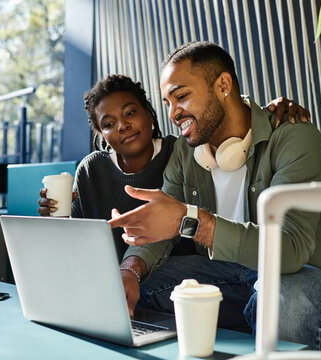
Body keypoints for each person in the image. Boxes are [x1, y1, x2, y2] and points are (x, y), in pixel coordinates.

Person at [109, 41, 321, 350]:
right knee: (124, 286)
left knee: (286, 300)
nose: (174, 113)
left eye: (182, 97)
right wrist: (130, 269)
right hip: (229, 274)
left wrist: (193, 222)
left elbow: (292, 250)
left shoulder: (293, 136)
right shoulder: (185, 153)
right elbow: (160, 232)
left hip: (308, 273)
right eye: (167, 103)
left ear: (223, 85)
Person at [38, 74, 307, 264]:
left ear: (149, 115)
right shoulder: (91, 169)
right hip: (111, 276)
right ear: (101, 135)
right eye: (108, 123)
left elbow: (234, 118)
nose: (122, 126)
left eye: (130, 113)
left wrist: (270, 111)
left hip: (180, 274)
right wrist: (55, 218)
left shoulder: (182, 152)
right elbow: (70, 246)